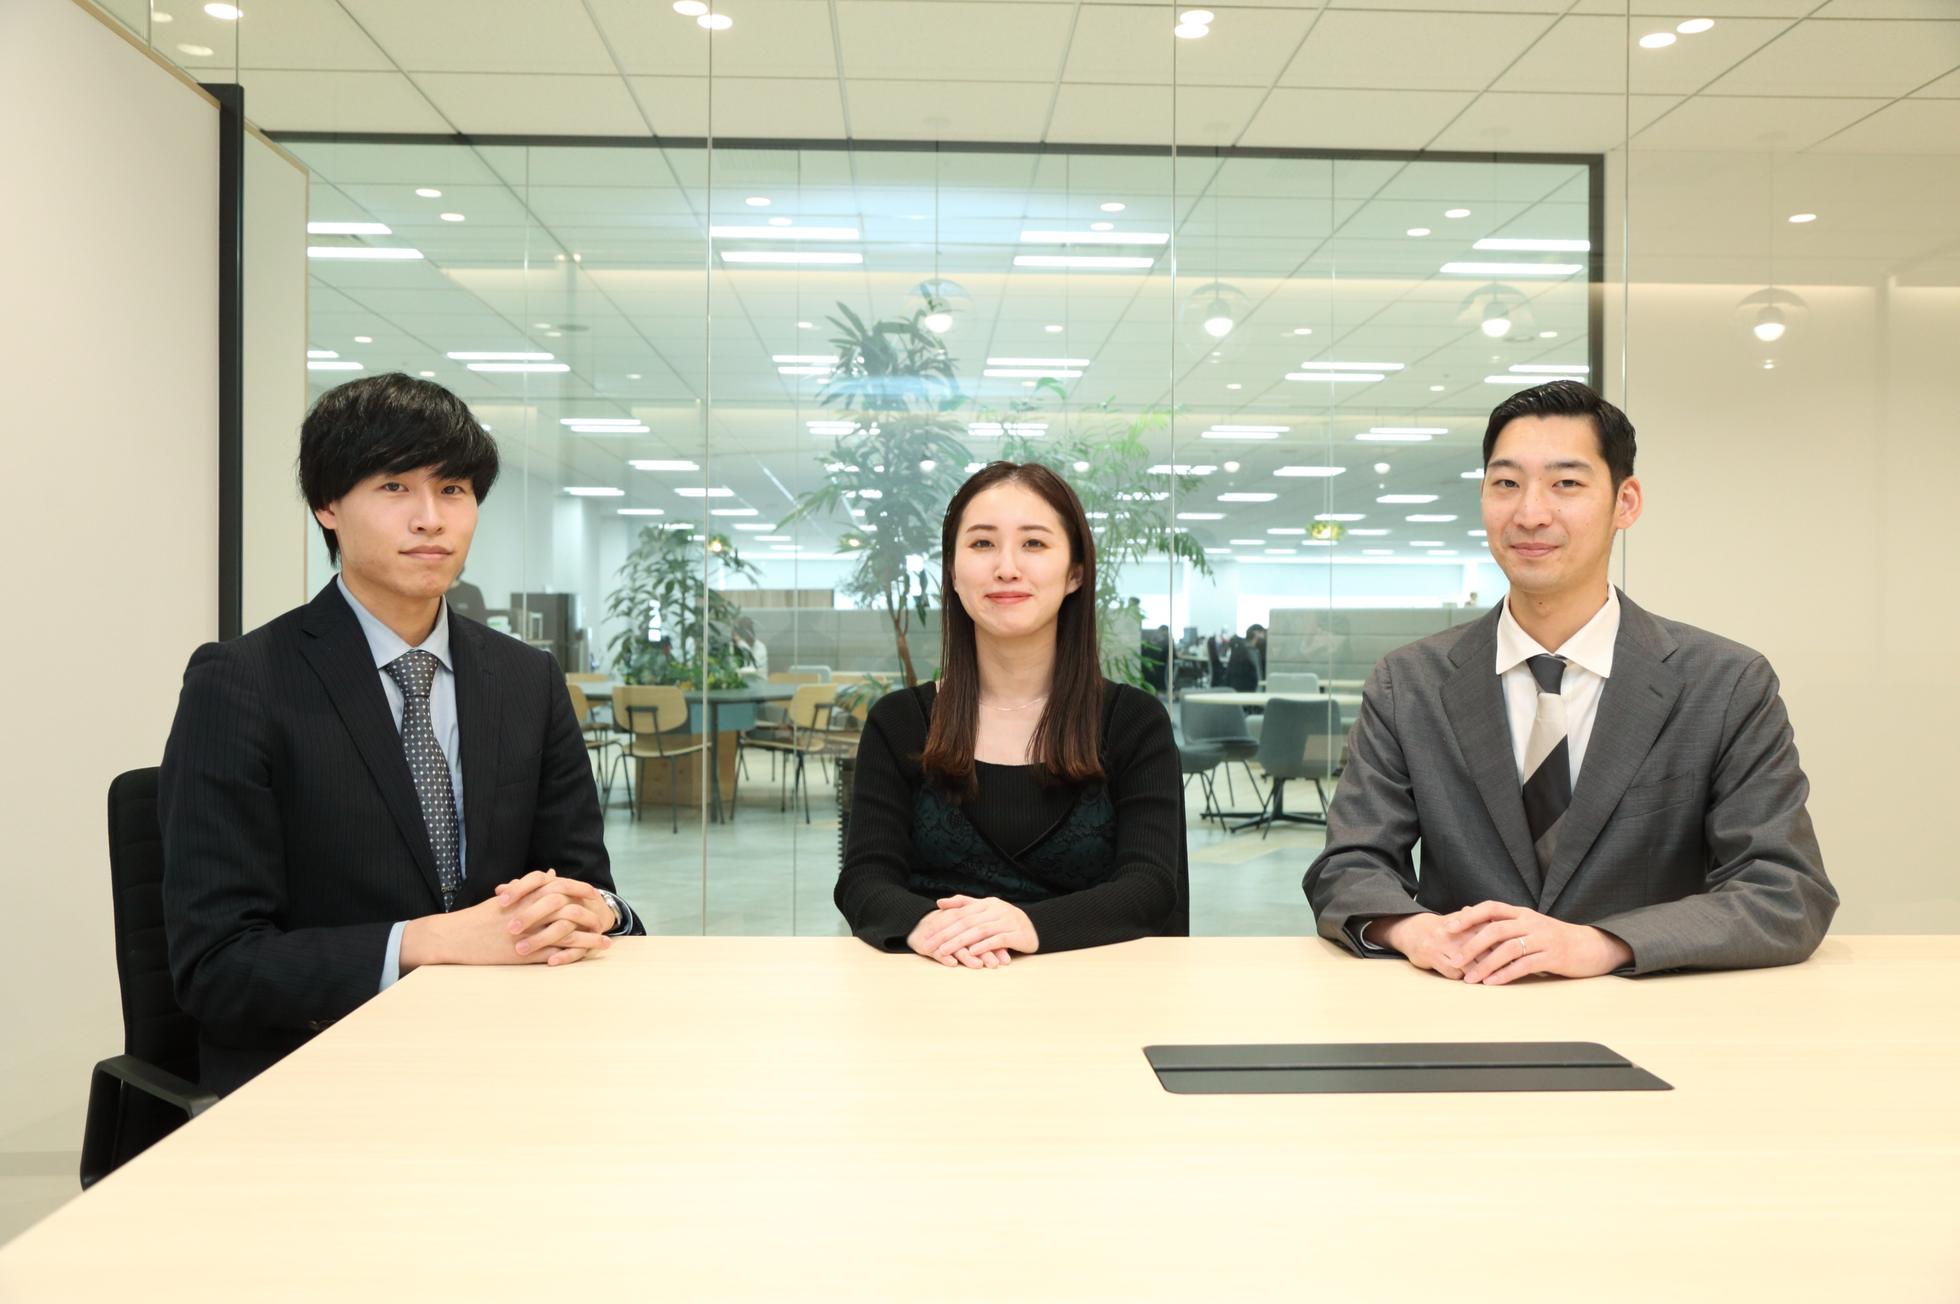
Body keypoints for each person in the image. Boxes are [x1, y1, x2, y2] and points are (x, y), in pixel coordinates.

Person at [160, 373, 643, 1094]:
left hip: (510, 1053)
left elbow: (585, 885)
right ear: (327, 505)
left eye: (453, 489)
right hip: (321, 1067)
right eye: (394, 487)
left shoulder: (526, 678)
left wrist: (595, 911)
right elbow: (218, 966)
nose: (430, 519)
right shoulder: (242, 682)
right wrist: (432, 942)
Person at [1304, 381, 1835, 982]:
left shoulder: (1725, 683)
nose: (1530, 513)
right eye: (1506, 483)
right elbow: (1349, 866)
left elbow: (1785, 891)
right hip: (1462, 1003)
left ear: (1625, 502)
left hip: (1653, 1013)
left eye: (1566, 484)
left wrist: (1602, 944)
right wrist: (1416, 931)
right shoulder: (1409, 683)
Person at [835, 461, 1185, 966]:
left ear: (1076, 572)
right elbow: (864, 880)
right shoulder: (900, 722)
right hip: (932, 984)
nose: (1006, 567)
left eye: (1034, 543)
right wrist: (927, 926)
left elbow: (1149, 886)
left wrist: (1026, 925)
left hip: (1094, 988)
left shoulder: (1133, 722)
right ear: (953, 573)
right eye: (982, 543)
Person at [1224, 622, 1265, 691]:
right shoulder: (1251, 652)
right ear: (1256, 633)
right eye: (1262, 633)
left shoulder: (1244, 648)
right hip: (1249, 692)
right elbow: (1258, 678)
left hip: (1240, 690)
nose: (1264, 637)